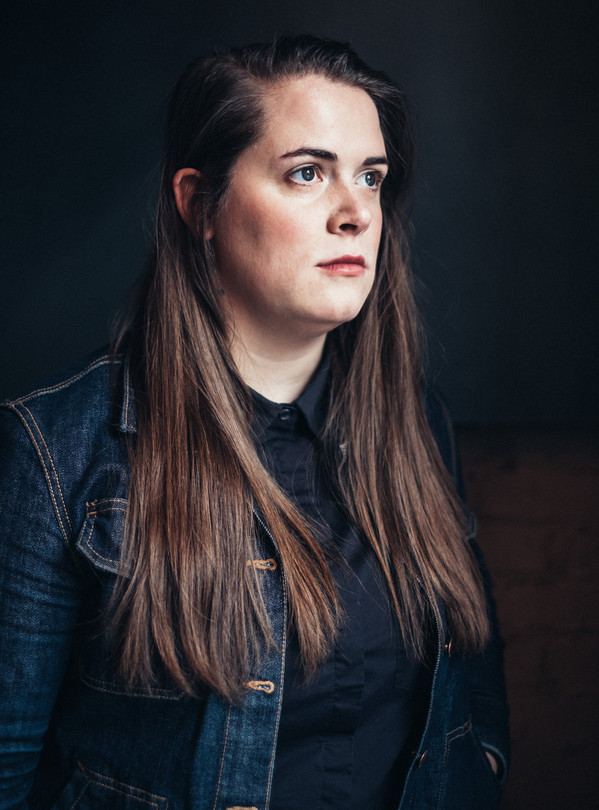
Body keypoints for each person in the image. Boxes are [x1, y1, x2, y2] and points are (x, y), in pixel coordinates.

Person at [0, 35, 509, 810]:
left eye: (370, 177)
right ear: (199, 204)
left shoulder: (413, 422)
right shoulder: (56, 448)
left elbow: (471, 656)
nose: (355, 213)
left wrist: (483, 761)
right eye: (306, 173)